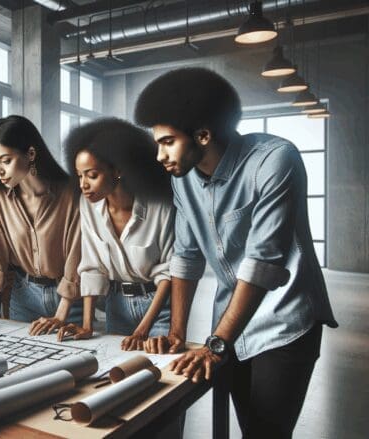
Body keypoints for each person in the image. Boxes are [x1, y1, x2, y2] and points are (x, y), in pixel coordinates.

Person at [134, 67, 337, 438]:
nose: (159, 154)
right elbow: (187, 256)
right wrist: (178, 332)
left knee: (266, 433)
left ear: (204, 135)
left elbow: (262, 263)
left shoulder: (276, 159)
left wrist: (214, 344)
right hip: (230, 321)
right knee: (243, 426)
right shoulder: (183, 179)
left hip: (285, 321)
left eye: (167, 141)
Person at [57, 118, 174, 353]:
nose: (83, 185)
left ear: (118, 170)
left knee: (155, 373)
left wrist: (143, 329)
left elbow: (169, 273)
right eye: (79, 175)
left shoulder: (159, 206)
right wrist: (88, 325)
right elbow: (92, 267)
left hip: (158, 307)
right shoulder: (88, 205)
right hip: (116, 303)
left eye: (91, 175)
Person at [0, 115, 82, 335]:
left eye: (6, 160)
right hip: (23, 296)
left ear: (30, 154)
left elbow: (77, 255)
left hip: (68, 300)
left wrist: (60, 315)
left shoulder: (70, 192)